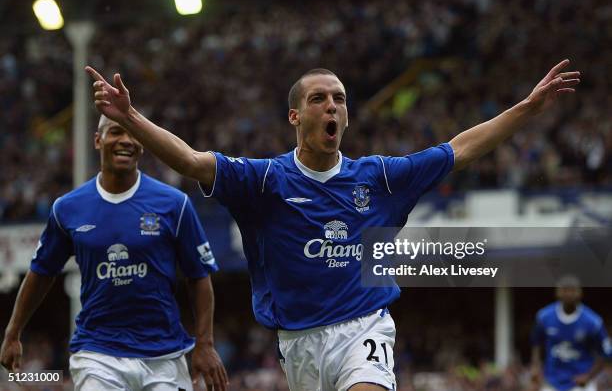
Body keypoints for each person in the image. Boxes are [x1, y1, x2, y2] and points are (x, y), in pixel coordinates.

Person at [85, 59, 580, 391]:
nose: (333, 107)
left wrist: (527, 108)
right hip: (298, 342)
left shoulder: (380, 177)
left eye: (340, 99)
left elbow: (461, 148)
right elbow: (193, 162)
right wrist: (132, 116)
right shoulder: (265, 181)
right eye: (321, 99)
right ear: (295, 115)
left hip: (364, 326)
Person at [0, 116, 228, 391]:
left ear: (142, 145)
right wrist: (13, 332)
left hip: (163, 355)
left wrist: (205, 344)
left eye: (133, 134)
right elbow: (41, 273)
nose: (126, 141)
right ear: (98, 140)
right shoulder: (67, 209)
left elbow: (199, 277)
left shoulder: (174, 204)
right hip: (98, 354)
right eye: (116, 132)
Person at [531, 276, 612, 391]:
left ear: (580, 292)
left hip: (579, 383)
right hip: (552, 381)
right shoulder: (544, 317)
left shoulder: (593, 322)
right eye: (565, 290)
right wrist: (536, 367)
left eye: (572, 290)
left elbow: (606, 352)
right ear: (557, 292)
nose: (568, 294)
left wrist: (589, 376)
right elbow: (536, 343)